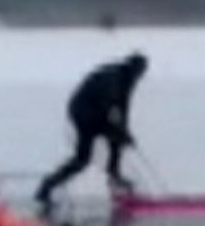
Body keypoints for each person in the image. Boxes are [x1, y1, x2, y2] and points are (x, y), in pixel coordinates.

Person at [36, 52, 148, 209]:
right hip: (83, 112)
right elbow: (107, 107)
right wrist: (120, 131)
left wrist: (125, 131)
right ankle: (47, 186)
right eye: (140, 73)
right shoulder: (113, 78)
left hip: (94, 111)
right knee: (83, 158)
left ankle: (114, 174)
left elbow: (122, 109)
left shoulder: (127, 81)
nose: (140, 77)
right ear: (133, 68)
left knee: (116, 138)